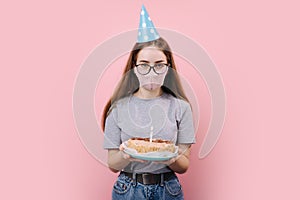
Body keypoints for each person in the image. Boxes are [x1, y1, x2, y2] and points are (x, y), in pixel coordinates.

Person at [101, 5, 195, 200]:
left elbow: (184, 166)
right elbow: (112, 163)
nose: (151, 72)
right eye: (144, 65)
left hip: (168, 189)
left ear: (168, 68)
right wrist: (127, 155)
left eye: (159, 65)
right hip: (128, 189)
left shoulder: (181, 108)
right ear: (134, 67)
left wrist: (171, 155)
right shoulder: (118, 108)